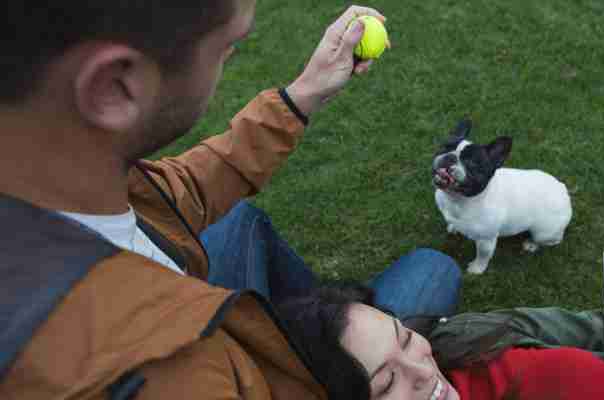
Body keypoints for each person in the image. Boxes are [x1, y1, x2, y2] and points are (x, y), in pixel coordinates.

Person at [0, 2, 461, 399]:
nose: (232, 54)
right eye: (225, 47)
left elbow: (177, 194)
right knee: (432, 270)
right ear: (117, 86)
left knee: (237, 220)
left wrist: (301, 96)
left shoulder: (60, 178)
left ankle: (323, 324)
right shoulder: (176, 378)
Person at [277, 276, 604, 400]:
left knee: (436, 265)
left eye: (406, 338)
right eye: (386, 385)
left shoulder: (475, 344)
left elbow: (603, 328)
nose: (426, 372)